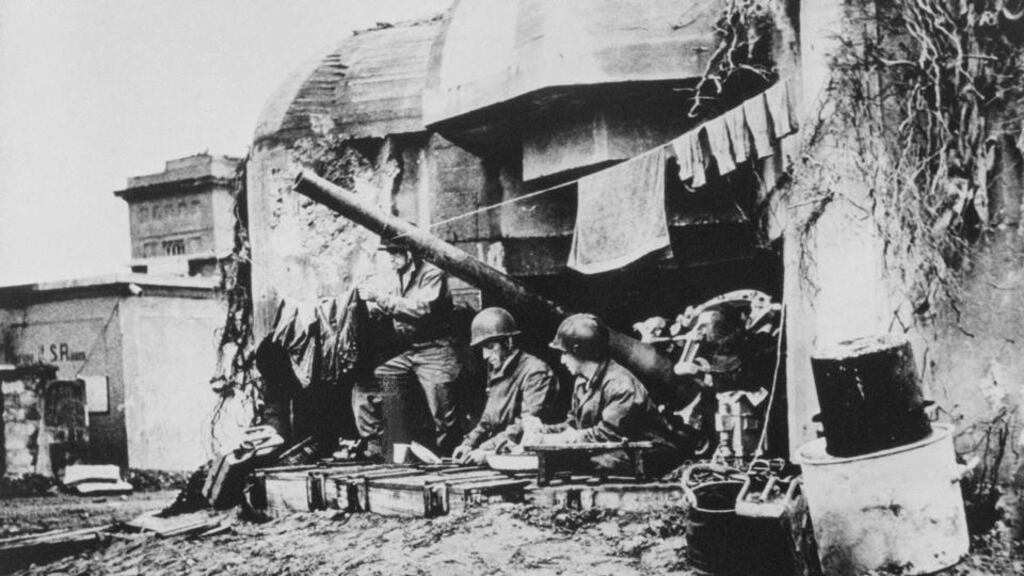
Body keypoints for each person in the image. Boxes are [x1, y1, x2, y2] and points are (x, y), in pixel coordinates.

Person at [526, 313, 687, 476]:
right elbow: (575, 424)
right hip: (617, 451)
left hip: (649, 456)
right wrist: (543, 431)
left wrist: (558, 440)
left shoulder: (620, 384)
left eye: (565, 353)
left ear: (580, 351)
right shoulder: (582, 382)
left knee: (580, 464)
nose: (561, 360)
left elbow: (608, 434)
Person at [355, 236, 464, 456]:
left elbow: (421, 310)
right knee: (381, 377)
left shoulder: (432, 274)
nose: (392, 260)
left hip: (437, 351)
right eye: (389, 255)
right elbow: (396, 308)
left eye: (395, 254)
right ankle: (391, 444)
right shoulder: (400, 276)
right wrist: (375, 307)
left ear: (410, 254)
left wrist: (380, 298)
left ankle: (448, 459)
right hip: (412, 350)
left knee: (442, 412)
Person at [452, 307, 560, 465]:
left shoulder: (536, 372)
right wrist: (468, 444)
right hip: (499, 454)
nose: (485, 356)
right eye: (482, 348)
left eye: (490, 347)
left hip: (527, 458)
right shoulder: (497, 369)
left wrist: (486, 449)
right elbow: (488, 419)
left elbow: (525, 426)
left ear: (508, 342)